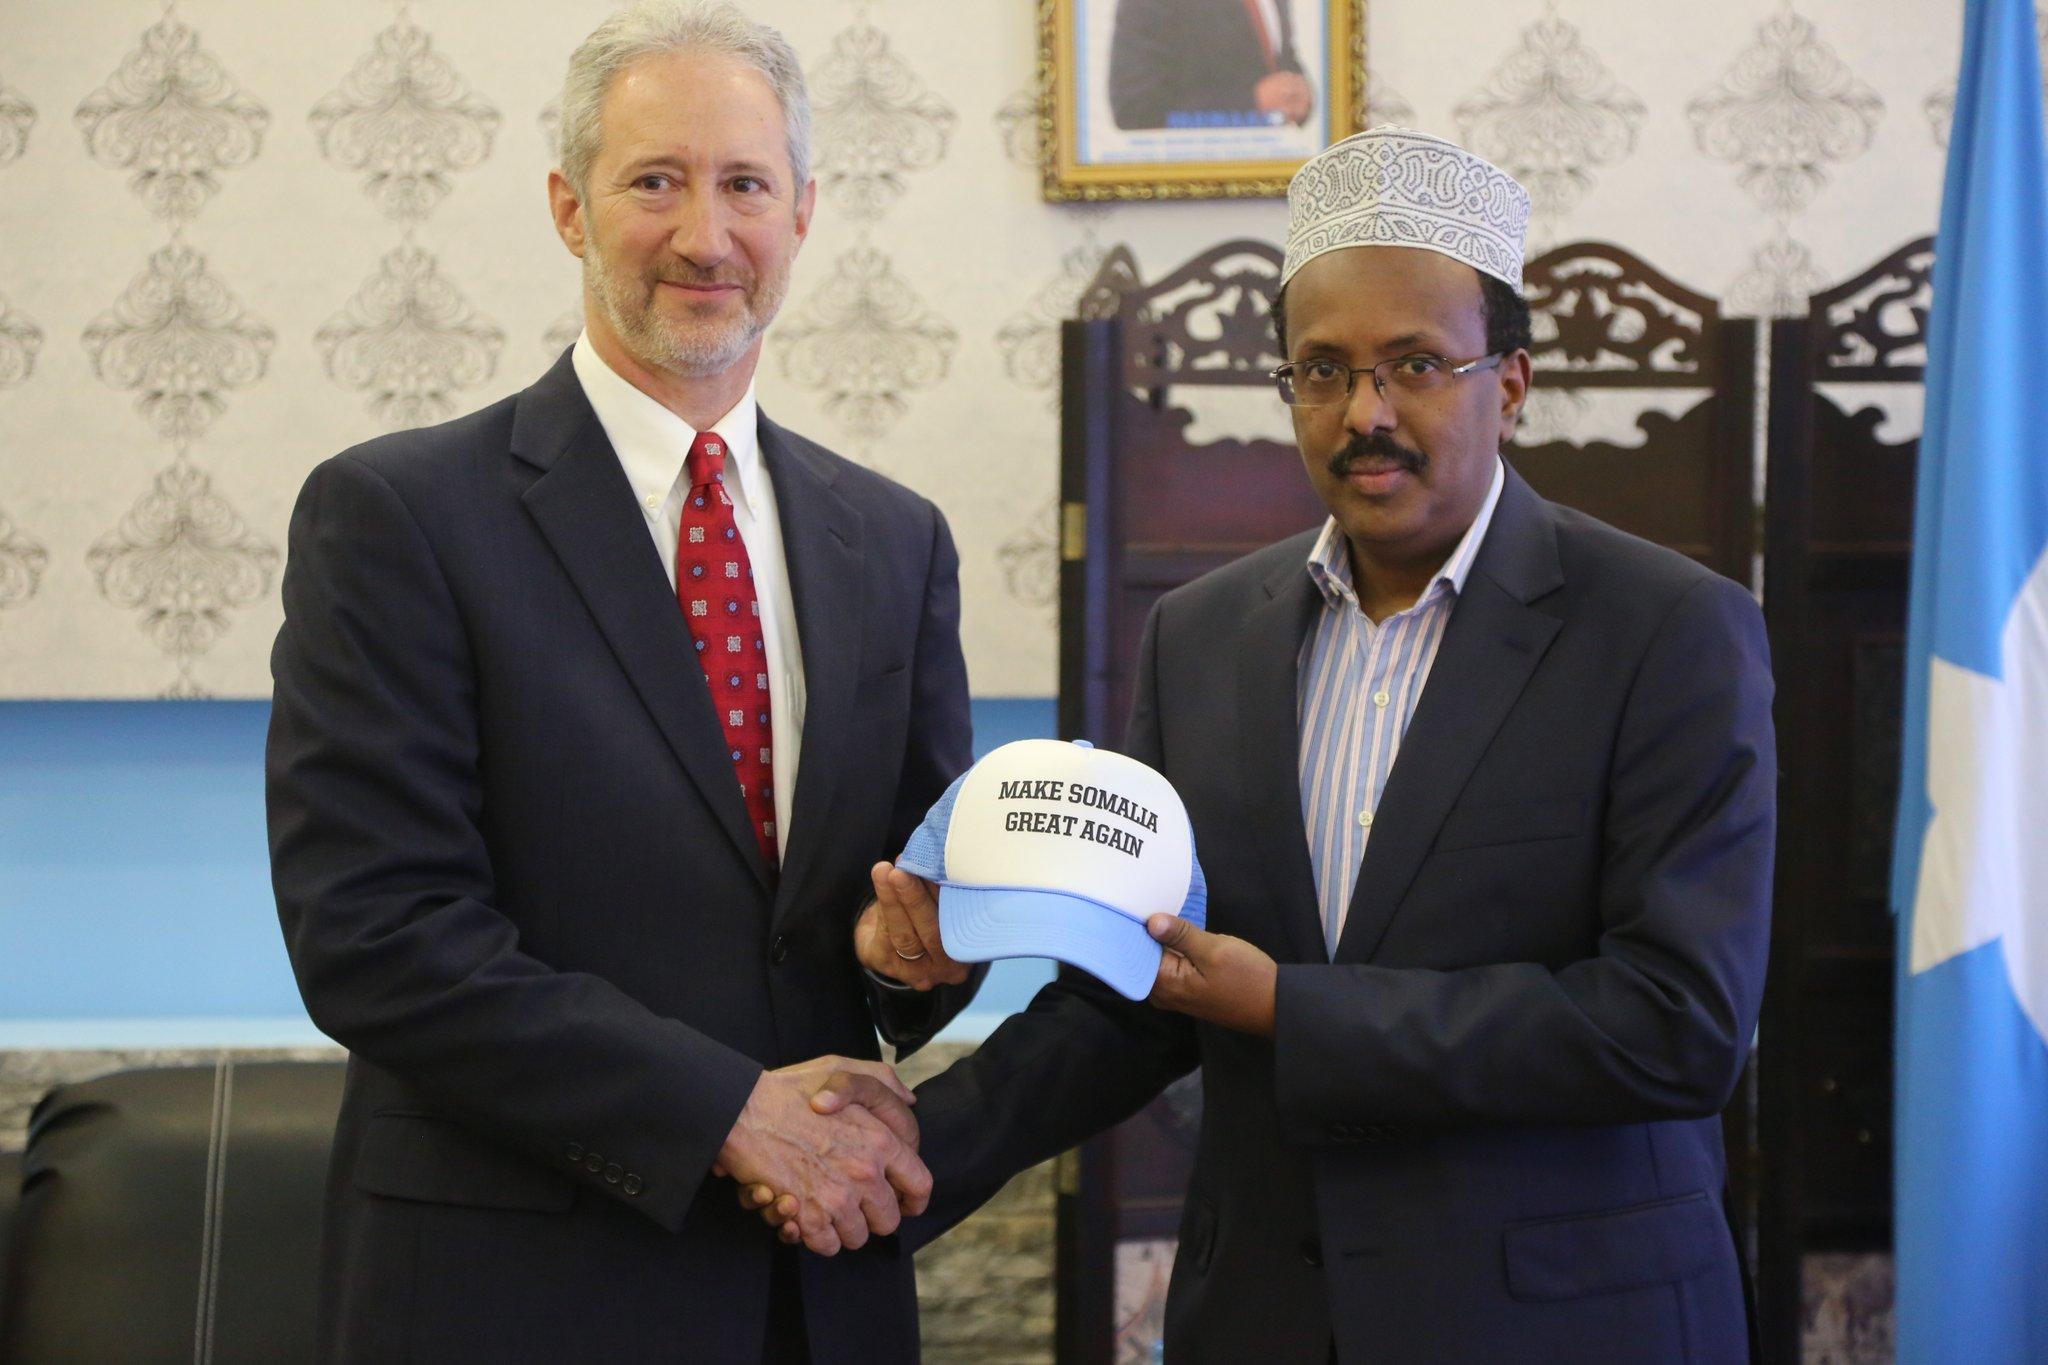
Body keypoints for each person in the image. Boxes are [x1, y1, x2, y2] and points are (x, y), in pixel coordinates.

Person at [766, 127, 1775, 1362]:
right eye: (1320, 369)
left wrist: (1291, 1009)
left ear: (1507, 384)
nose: (1365, 413)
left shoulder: (1667, 631)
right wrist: (897, 1158)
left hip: (1565, 1320)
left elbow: (1675, 1023)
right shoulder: (1201, 639)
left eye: (1415, 364)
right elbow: (1138, 997)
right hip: (1264, 1318)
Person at [265, 3, 979, 1360]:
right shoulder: (399, 516)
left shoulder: (894, 540)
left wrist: (913, 960)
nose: (706, 237)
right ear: (568, 207)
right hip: (511, 1291)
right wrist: (723, 1110)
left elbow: (898, 927)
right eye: (656, 181)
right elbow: (378, 935)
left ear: (805, 212)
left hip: (813, 1299)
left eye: (746, 185)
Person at [1108, 0, 1314, 131]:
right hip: (1192, 187)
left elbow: (1283, 60)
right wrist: (1250, 105)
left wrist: (1302, 94)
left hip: (1275, 179)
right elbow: (1133, 109)